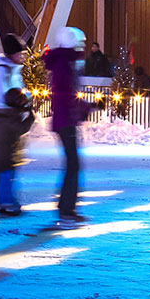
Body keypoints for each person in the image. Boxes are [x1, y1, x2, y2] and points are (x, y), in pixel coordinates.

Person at [0, 32, 29, 214]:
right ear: (11, 53)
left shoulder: (14, 70)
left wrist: (25, 103)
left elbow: (20, 94)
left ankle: (1, 198)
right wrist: (15, 109)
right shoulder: (1, 70)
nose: (22, 56)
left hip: (9, 121)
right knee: (1, 161)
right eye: (19, 53)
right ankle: (0, 200)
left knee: (8, 161)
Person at [47, 26, 89, 225]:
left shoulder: (65, 62)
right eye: (81, 43)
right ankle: (66, 209)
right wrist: (82, 108)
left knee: (73, 164)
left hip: (65, 119)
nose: (83, 47)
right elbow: (66, 95)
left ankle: (66, 208)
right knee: (73, 164)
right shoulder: (65, 64)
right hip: (65, 121)